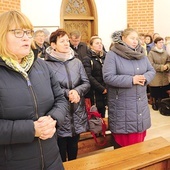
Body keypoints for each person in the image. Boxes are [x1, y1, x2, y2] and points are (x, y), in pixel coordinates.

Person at [0, 10, 68, 170]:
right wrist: (31, 129)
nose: (26, 37)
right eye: (18, 32)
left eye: (28, 32)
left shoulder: (42, 66)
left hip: (52, 160)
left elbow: (61, 99)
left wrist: (53, 119)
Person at [102, 28, 155, 149]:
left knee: (138, 142)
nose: (135, 41)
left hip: (140, 104)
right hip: (122, 105)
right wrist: (132, 80)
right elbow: (108, 77)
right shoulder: (113, 55)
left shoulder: (141, 54)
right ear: (123, 38)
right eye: (132, 38)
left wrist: (145, 78)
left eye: (137, 39)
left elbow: (151, 70)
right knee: (124, 145)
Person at [45, 29, 90, 162]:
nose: (66, 44)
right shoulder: (46, 64)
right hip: (59, 111)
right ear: (53, 45)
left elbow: (86, 83)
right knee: (60, 147)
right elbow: (48, 87)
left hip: (77, 111)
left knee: (73, 146)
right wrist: (68, 93)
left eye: (67, 40)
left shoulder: (76, 62)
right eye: (62, 41)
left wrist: (77, 91)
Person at [82, 36, 107, 118]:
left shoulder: (105, 57)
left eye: (101, 43)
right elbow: (88, 76)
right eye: (97, 43)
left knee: (103, 114)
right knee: (95, 116)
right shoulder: (87, 59)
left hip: (105, 91)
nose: (100, 45)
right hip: (94, 92)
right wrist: (101, 88)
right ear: (91, 46)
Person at [148, 37, 170, 111]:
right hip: (155, 75)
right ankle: (155, 103)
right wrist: (161, 67)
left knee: (164, 91)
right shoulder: (151, 53)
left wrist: (167, 66)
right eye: (159, 42)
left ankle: (163, 105)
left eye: (162, 42)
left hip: (164, 75)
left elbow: (168, 61)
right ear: (155, 44)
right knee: (155, 91)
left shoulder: (165, 52)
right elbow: (151, 64)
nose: (161, 44)